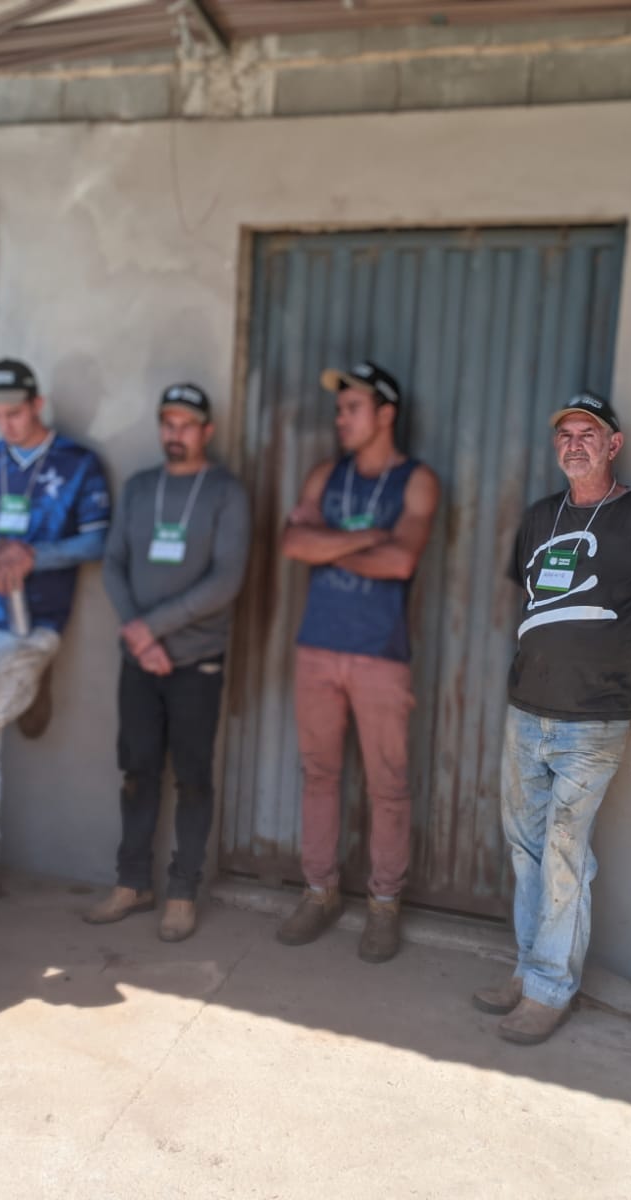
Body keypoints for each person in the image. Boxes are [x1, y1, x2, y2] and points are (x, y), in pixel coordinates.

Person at [472, 392, 631, 1045]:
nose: (574, 444)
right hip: (526, 711)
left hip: (592, 724)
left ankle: (549, 990)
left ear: (613, 445)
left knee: (564, 853)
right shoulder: (540, 518)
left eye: (588, 433)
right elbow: (529, 606)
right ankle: (528, 969)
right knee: (526, 850)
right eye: (565, 434)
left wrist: (617, 684)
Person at [274, 360, 440, 964]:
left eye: (352, 408)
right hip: (317, 646)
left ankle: (384, 904)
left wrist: (329, 545)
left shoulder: (417, 481)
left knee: (387, 783)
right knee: (319, 773)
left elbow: (402, 562)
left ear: (385, 414)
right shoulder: (327, 474)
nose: (340, 418)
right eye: (339, 409)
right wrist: (369, 537)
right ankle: (319, 892)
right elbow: (293, 543)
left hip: (380, 655)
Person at [0, 358, 110, 921]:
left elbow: (95, 543)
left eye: (13, 413)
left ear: (37, 405)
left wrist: (32, 555)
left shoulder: (78, 463)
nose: (5, 424)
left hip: (39, 621)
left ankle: (28, 686)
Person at [90, 383, 251, 941]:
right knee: (137, 773)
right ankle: (132, 883)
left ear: (207, 431)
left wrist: (150, 628)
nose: (174, 434)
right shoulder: (140, 488)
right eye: (167, 423)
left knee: (193, 778)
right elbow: (113, 563)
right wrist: (141, 638)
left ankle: (183, 890)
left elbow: (226, 580)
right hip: (140, 661)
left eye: (185, 425)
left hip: (196, 663)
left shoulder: (226, 492)